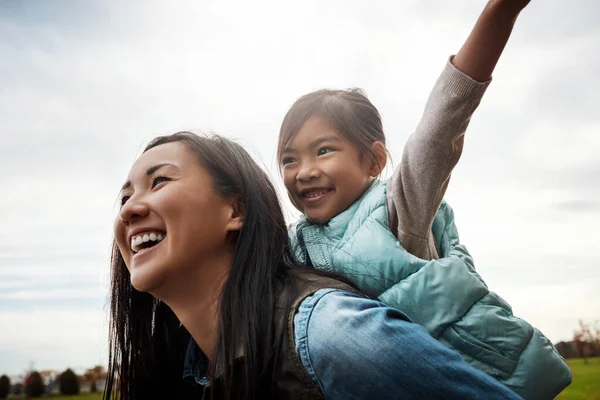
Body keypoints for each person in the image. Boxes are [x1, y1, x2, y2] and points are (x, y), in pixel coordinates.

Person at [278, 1, 572, 399]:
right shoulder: (294, 245)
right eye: (289, 159)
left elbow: (440, 128)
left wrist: (498, 14)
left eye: (324, 150)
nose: (304, 171)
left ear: (374, 160)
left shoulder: (398, 210)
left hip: (485, 379)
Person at [105, 131, 524, 399]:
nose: (129, 211)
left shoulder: (334, 335)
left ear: (236, 210)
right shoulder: (186, 365)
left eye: (159, 181)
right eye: (125, 198)